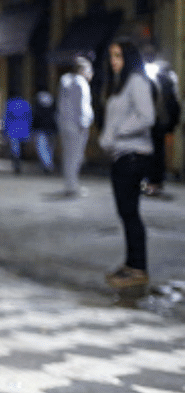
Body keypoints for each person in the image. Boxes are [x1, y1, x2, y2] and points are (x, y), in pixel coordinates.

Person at [99, 40, 157, 290]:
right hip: (121, 155)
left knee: (130, 213)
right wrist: (108, 138)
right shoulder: (120, 85)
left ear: (129, 58)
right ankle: (131, 264)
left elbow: (147, 116)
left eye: (119, 56)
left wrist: (117, 133)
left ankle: (138, 268)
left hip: (133, 156)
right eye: (112, 56)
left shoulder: (136, 82)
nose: (114, 61)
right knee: (125, 213)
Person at [57, 56, 94, 197]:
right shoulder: (81, 84)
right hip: (77, 126)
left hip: (65, 124)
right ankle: (72, 187)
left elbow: (62, 105)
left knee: (68, 156)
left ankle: (70, 184)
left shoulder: (65, 81)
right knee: (75, 156)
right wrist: (84, 123)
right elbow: (82, 107)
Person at [144, 58, 180, 198]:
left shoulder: (161, 82)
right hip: (159, 124)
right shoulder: (168, 82)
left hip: (156, 124)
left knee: (154, 155)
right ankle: (154, 183)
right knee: (156, 154)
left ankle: (153, 183)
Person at [3, 95, 32, 174]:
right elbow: (29, 118)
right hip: (24, 129)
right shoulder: (26, 104)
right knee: (21, 147)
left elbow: (6, 118)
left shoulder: (9, 104)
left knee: (15, 148)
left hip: (13, 129)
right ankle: (19, 162)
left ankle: (16, 162)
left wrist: (5, 131)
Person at [31, 90, 57, 174]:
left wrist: (33, 128)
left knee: (42, 148)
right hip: (51, 130)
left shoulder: (38, 108)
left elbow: (35, 119)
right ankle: (48, 164)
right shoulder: (53, 108)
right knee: (49, 149)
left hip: (41, 130)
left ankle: (47, 165)